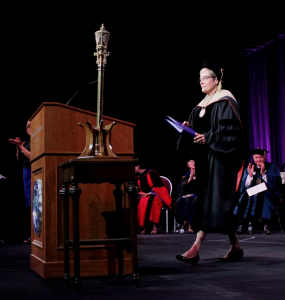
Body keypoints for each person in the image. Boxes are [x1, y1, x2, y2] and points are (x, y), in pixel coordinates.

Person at [175, 60, 244, 265]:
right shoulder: (200, 106)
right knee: (213, 203)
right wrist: (188, 129)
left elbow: (230, 133)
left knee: (214, 202)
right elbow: (197, 133)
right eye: (200, 78)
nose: (201, 81)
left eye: (205, 78)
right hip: (205, 161)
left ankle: (195, 248)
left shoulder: (226, 100)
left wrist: (209, 137)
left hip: (221, 161)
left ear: (216, 80)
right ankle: (236, 247)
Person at [234, 148, 282, 234]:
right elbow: (244, 186)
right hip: (252, 192)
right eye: (256, 157)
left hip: (268, 192)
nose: (258, 160)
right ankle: (241, 225)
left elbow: (276, 184)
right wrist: (250, 176)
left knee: (263, 196)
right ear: (253, 158)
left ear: (265, 157)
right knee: (244, 196)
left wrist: (263, 174)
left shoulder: (272, 167)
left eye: (261, 157)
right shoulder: (249, 168)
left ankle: (266, 225)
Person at [9, 120, 31, 243]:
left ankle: (36, 234)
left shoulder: (37, 140)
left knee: (34, 202)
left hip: (32, 171)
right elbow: (19, 159)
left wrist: (21, 146)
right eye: (27, 126)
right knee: (29, 203)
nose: (29, 128)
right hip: (25, 172)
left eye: (31, 126)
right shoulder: (27, 142)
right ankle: (33, 234)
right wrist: (19, 147)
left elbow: (31, 156)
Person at [135, 163, 172, 234]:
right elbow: (139, 190)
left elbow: (159, 187)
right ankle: (143, 226)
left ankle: (155, 225)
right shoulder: (138, 177)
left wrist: (150, 193)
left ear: (138, 166)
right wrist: (142, 194)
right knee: (142, 200)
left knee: (153, 200)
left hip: (157, 195)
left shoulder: (152, 173)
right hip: (145, 196)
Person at [174, 159, 198, 234]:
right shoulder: (186, 175)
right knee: (182, 200)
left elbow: (201, 188)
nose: (193, 163)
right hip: (187, 195)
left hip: (197, 195)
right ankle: (183, 224)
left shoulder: (200, 174)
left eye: (194, 161)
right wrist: (190, 178)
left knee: (195, 200)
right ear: (188, 165)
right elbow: (181, 189)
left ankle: (190, 225)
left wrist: (195, 178)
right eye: (191, 162)